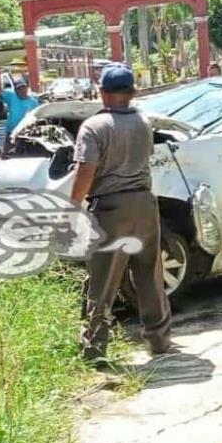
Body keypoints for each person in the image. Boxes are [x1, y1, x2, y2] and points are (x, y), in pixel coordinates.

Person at [71, 62, 172, 364]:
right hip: (145, 205)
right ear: (132, 92)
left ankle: (94, 349)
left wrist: (72, 205)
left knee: (103, 280)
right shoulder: (143, 122)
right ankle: (159, 339)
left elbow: (85, 169)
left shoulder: (93, 127)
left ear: (101, 92)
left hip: (112, 209)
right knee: (149, 274)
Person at [0, 68, 39, 156]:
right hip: (12, 131)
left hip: (27, 133)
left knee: (27, 156)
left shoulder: (34, 101)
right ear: (15, 90)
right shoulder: (11, 97)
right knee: (7, 155)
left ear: (27, 88)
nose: (22, 90)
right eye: (19, 89)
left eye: (24, 87)